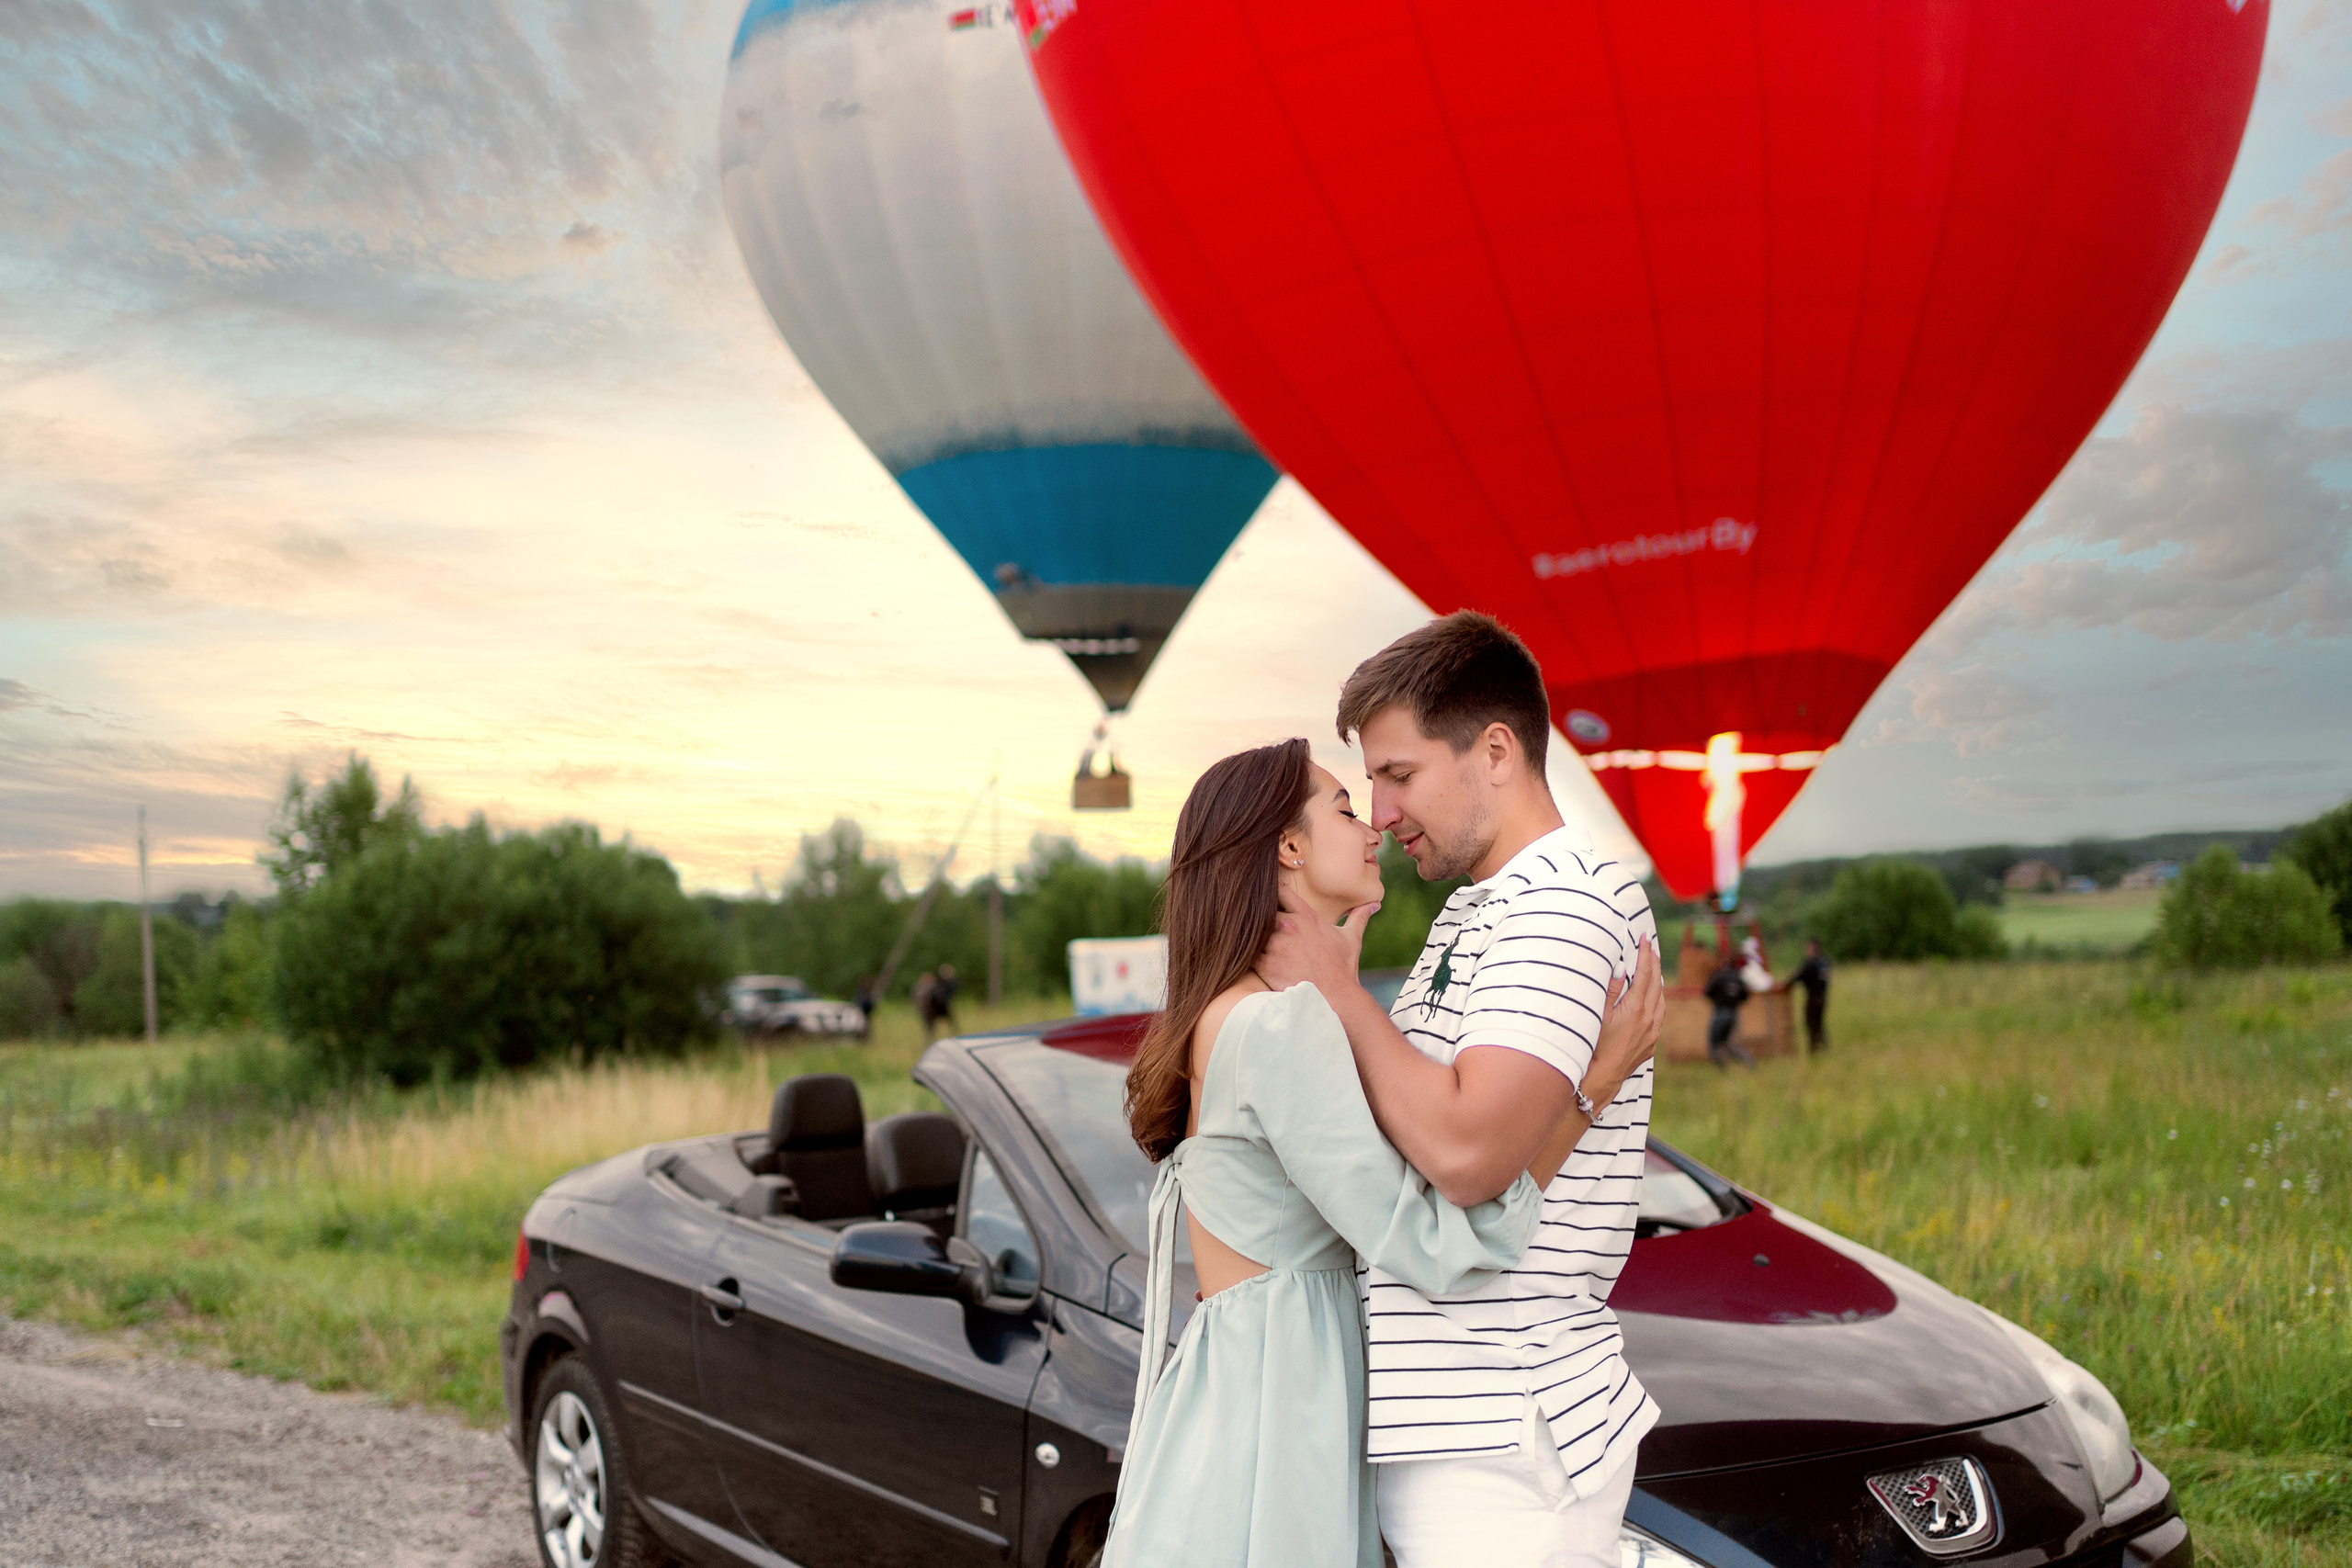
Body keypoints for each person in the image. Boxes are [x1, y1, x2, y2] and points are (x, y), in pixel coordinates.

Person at [1106, 739, 1663, 1568]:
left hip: (1239, 1385)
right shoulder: (1274, 1024)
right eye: (1343, 805)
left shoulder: (1238, 1009)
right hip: (1286, 1405)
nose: (1374, 825)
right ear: (1287, 848)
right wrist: (1591, 1088)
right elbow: (1436, 1241)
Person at [1261, 612, 1666, 1568]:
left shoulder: (1562, 902)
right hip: (1454, 1428)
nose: (1382, 810)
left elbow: (1467, 1156)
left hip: (1503, 1430)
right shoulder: (1476, 911)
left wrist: (1337, 995)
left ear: (1494, 752)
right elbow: (1400, 1145)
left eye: (1397, 775)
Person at [1702, 952, 1755, 1069]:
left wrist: (1717, 1001)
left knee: (1714, 1043)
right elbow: (1745, 996)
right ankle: (1749, 1062)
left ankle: (1721, 1068)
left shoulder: (1718, 975)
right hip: (1733, 1013)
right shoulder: (1738, 978)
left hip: (1720, 1011)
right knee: (1729, 1043)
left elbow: (1707, 992)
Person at [1792, 939, 1830, 1054]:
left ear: (1812, 948)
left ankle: (1814, 1050)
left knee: (1811, 1023)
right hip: (1822, 997)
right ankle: (1824, 1047)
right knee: (1819, 1023)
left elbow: (1798, 976)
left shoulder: (1810, 963)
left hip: (1813, 997)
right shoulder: (1824, 961)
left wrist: (1786, 984)